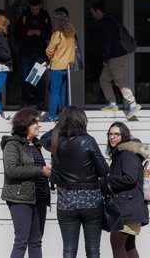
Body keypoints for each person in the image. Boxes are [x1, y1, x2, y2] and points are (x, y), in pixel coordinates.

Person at [41, 106, 109, 258]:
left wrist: (58, 125)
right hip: (91, 201)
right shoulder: (88, 141)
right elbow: (104, 170)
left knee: (69, 250)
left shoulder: (55, 141)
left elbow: (42, 139)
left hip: (66, 202)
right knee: (93, 250)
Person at [1, 108, 52, 258]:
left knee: (36, 241)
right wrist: (40, 171)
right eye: (35, 122)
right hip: (20, 198)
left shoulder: (36, 145)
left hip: (39, 197)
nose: (39, 125)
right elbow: (12, 170)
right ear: (25, 124)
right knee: (21, 241)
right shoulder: (12, 144)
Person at [89, 0, 142, 121]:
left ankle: (133, 104)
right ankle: (112, 103)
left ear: (98, 11)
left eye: (93, 12)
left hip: (115, 56)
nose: (92, 15)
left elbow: (107, 42)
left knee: (119, 80)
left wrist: (105, 58)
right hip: (113, 56)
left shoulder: (106, 23)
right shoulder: (110, 21)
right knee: (104, 79)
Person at [105, 122, 149, 258]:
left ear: (124, 135)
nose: (112, 137)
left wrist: (107, 180)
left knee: (117, 245)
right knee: (129, 246)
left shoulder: (126, 153)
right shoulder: (123, 153)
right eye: (110, 134)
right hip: (130, 206)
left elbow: (130, 178)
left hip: (127, 208)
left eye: (116, 134)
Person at [17, 0, 51, 109]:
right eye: (33, 8)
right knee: (27, 77)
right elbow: (17, 31)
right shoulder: (24, 15)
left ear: (40, 6)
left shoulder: (44, 15)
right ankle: (25, 100)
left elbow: (48, 32)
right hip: (26, 52)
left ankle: (40, 101)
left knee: (39, 77)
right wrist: (28, 33)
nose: (35, 11)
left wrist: (39, 32)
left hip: (40, 52)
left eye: (36, 8)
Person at [42, 11, 76, 122]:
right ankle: (65, 114)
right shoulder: (71, 32)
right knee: (64, 91)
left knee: (55, 91)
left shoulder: (57, 34)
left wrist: (51, 56)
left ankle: (52, 115)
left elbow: (49, 50)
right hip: (68, 66)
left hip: (57, 66)